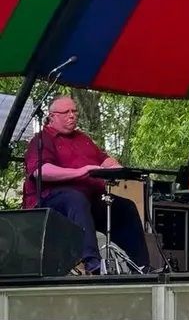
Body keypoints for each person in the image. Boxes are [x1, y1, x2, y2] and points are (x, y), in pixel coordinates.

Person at [23, 95, 149, 274]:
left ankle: (141, 266)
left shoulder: (83, 139)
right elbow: (41, 171)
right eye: (66, 112)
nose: (72, 115)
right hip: (51, 201)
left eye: (74, 111)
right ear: (52, 116)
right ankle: (92, 262)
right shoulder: (42, 139)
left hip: (89, 199)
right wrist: (81, 171)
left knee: (124, 207)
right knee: (76, 199)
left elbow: (103, 160)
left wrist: (117, 167)